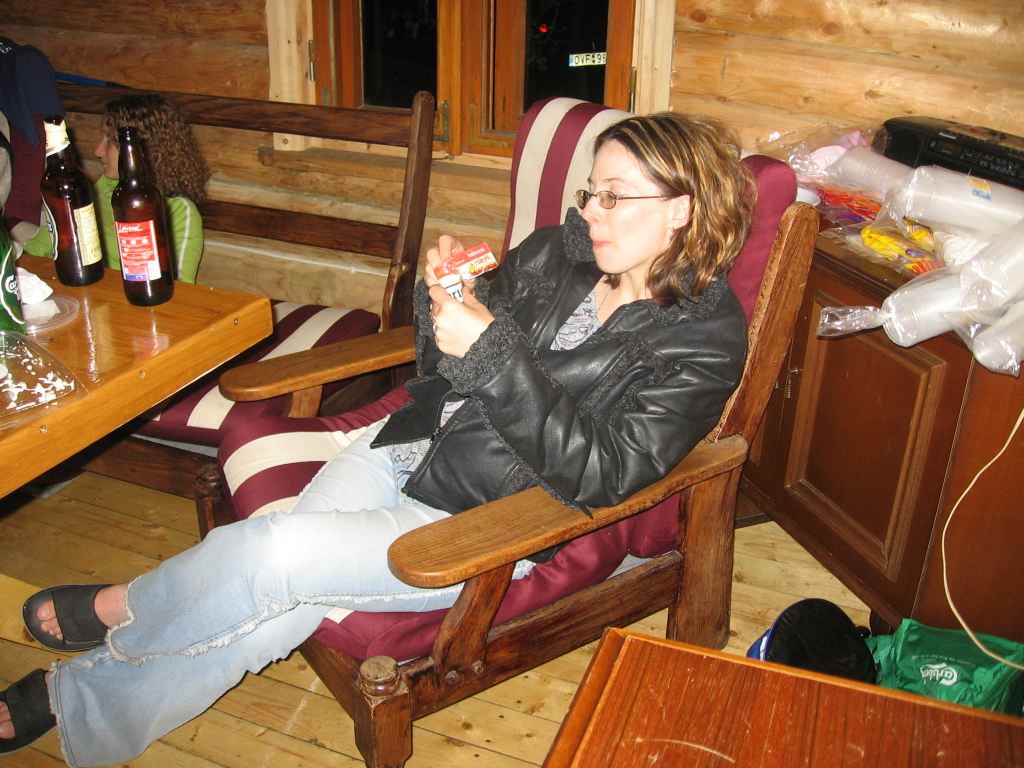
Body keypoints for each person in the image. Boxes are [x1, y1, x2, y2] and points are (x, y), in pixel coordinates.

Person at [0, 111, 754, 764]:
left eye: (615, 196)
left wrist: (494, 357)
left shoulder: (704, 340)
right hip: (405, 444)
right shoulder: (561, 251)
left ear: (681, 209)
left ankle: (125, 611)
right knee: (277, 597)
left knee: (272, 556)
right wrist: (446, 297)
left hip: (482, 517)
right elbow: (444, 364)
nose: (591, 212)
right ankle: (89, 712)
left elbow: (605, 473)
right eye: (590, 191)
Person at [24, 94, 209, 282]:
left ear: (143, 147)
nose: (98, 151)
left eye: (111, 140)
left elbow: (179, 286)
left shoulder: (175, 209)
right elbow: (37, 249)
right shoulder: (88, 194)